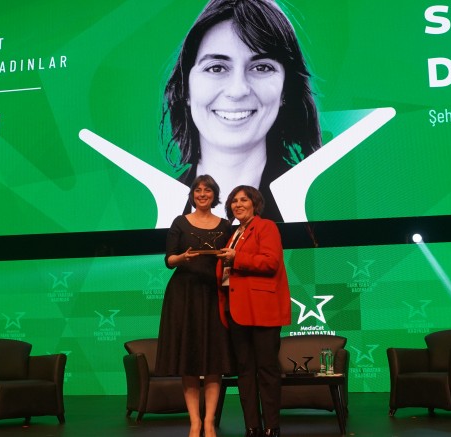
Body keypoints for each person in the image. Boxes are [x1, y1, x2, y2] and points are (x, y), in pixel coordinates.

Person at [161, 0, 322, 222]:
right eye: (216, 68)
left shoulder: (322, 207)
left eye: (261, 67)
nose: (237, 90)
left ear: (286, 89)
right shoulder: (151, 213)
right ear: (185, 89)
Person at [155, 175, 234, 437]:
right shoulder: (179, 222)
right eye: (198, 190)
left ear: (214, 195)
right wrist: (182, 258)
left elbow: (230, 262)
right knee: (188, 360)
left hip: (214, 295)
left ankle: (209, 422)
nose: (202, 194)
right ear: (192, 195)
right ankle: (195, 422)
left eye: (207, 190)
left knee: (215, 361)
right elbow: (169, 260)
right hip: (184, 295)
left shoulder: (226, 225)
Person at [216, 185, 291, 437]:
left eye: (243, 200)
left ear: (254, 203)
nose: (238, 204)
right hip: (237, 310)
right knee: (245, 371)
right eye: (234, 201)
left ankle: (271, 426)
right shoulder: (235, 233)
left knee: (267, 369)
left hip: (262, 309)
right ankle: (252, 426)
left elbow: (271, 262)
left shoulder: (266, 226)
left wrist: (236, 258)